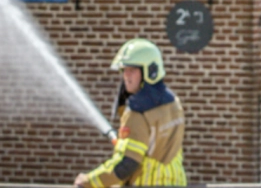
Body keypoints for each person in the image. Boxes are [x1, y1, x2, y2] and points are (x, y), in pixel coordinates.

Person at [75, 39, 186, 187]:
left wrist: (89, 181)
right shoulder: (173, 103)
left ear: (150, 71)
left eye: (132, 70)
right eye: (124, 69)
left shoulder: (138, 111)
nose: (126, 76)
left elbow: (128, 164)